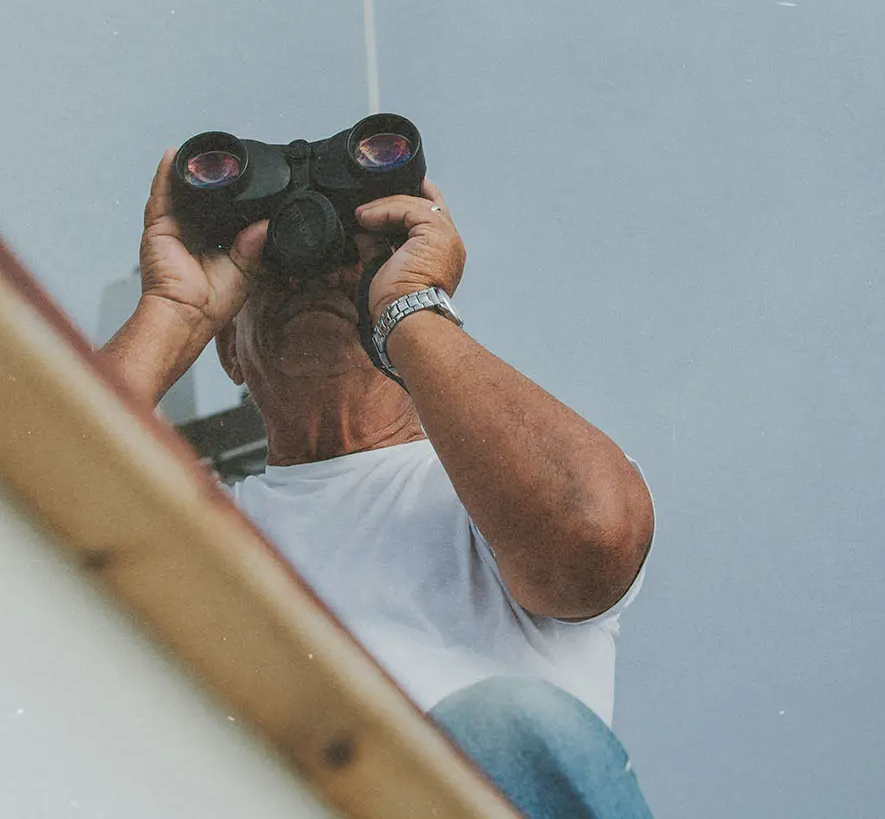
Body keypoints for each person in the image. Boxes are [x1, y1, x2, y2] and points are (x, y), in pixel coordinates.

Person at [99, 147, 657, 818]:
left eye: (351, 263)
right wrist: (172, 310)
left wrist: (408, 305)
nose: (311, 275)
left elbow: (591, 541)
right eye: (273, 270)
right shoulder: (194, 531)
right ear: (228, 350)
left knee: (503, 724)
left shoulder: (499, 491)